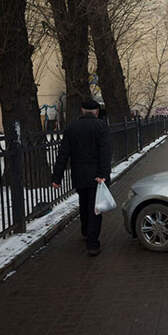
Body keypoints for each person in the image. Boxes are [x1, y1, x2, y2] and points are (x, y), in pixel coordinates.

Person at [51, 100, 112, 256]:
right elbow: (105, 153)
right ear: (96, 111)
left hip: (79, 174)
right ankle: (92, 244)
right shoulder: (101, 127)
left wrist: (57, 177)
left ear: (82, 111)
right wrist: (103, 174)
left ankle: (85, 231)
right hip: (97, 176)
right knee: (95, 209)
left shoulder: (71, 127)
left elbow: (63, 153)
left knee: (84, 203)